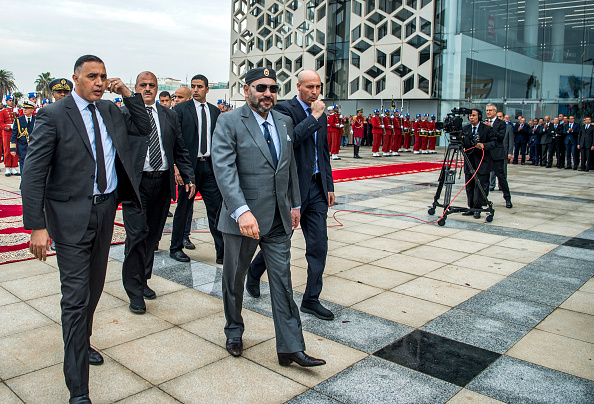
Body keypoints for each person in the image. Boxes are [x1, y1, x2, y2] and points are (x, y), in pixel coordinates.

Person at [21, 54, 151, 404]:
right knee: (75, 299)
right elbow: (33, 174)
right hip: (69, 217)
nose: (99, 82)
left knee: (94, 289)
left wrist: (126, 92)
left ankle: (82, 341)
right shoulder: (53, 115)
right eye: (92, 76)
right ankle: (79, 390)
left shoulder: (111, 111)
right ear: (75, 78)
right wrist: (36, 226)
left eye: (103, 76)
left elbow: (143, 127)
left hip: (106, 211)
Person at [212, 67, 325, 367]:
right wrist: (241, 210)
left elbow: (288, 169)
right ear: (247, 89)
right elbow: (224, 169)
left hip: (278, 220)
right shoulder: (229, 121)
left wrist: (295, 203)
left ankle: (290, 347)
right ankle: (234, 329)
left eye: (273, 89)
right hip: (243, 221)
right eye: (261, 88)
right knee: (234, 280)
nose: (268, 94)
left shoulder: (284, 122)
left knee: (282, 282)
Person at [246, 69, 336, 320]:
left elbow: (323, 151)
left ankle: (311, 298)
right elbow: (290, 141)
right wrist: (314, 116)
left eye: (318, 87)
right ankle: (254, 273)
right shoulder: (284, 110)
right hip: (292, 189)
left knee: (318, 245)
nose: (315, 92)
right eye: (309, 87)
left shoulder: (321, 113)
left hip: (317, 188)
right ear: (298, 87)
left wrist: (329, 185)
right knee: (280, 240)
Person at [121, 71, 195, 314]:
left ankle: (143, 280)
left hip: (161, 183)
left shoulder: (169, 115)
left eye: (152, 85)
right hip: (137, 185)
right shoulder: (126, 114)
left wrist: (187, 175)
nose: (148, 89)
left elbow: (179, 148)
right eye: (142, 85)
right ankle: (134, 290)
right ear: (136, 87)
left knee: (152, 237)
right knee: (136, 235)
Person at [168, 74, 224, 264]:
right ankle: (175, 247)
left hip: (209, 167)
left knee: (216, 210)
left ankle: (222, 251)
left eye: (199, 86)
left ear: (207, 89)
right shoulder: (181, 109)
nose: (195, 90)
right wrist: (176, 166)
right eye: (193, 86)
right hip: (188, 168)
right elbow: (175, 140)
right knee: (183, 209)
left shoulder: (215, 111)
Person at [460, 109, 497, 219]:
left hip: (482, 161)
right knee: (469, 185)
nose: (471, 117)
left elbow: (494, 143)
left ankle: (478, 207)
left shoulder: (487, 129)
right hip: (469, 160)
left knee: (479, 185)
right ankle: (471, 207)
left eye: (474, 115)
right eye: (470, 115)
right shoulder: (465, 129)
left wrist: (483, 145)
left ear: (479, 117)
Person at [484, 104, 512, 208]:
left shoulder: (501, 123)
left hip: (497, 154)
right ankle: (483, 199)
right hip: (487, 154)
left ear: (495, 111)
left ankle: (507, 198)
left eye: (490, 110)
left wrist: (491, 129)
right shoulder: (485, 122)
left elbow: (501, 137)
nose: (488, 112)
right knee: (484, 177)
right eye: (487, 110)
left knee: (501, 177)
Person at [10, 100, 35, 173]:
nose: (24, 110)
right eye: (24, 108)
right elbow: (14, 135)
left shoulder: (36, 119)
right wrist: (12, 149)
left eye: (27, 108)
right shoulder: (18, 120)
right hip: (22, 147)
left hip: (33, 147)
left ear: (32, 110)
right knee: (22, 164)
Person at [0, 95, 20, 176]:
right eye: (9, 100)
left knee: (15, 150)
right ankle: (7, 168)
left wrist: (17, 113)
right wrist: (9, 126)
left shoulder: (16, 111)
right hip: (7, 133)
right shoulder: (3, 112)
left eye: (12, 100)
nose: (11, 102)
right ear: (6, 101)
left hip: (15, 133)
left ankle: (14, 168)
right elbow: (1, 124)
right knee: (7, 150)